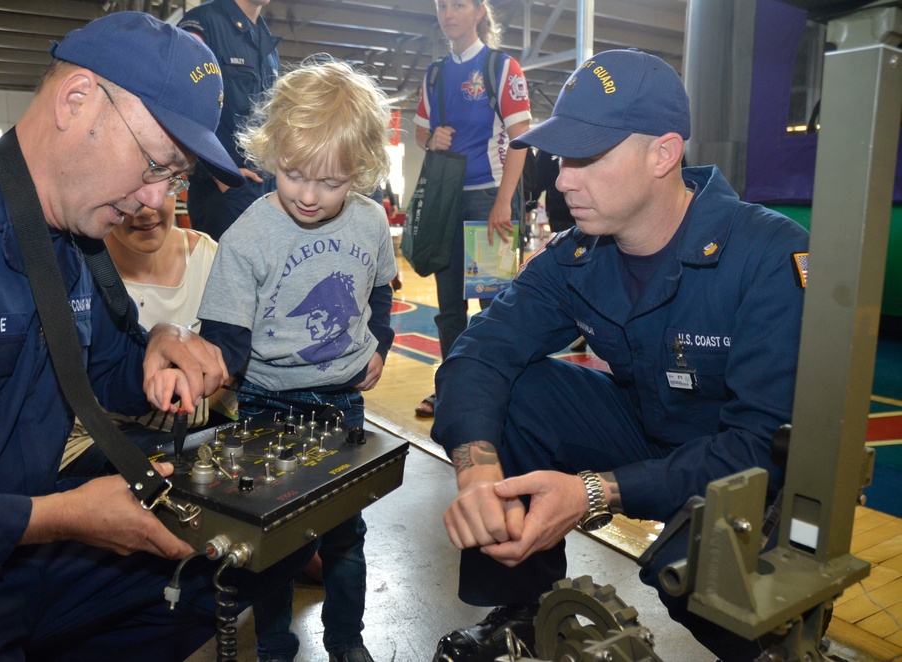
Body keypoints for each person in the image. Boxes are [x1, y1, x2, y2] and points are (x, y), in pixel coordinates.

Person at [0, 12, 313, 660]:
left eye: (175, 177)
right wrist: (60, 518)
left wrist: (155, 351)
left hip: (20, 552)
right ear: (76, 99)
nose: (155, 200)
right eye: (155, 162)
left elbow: (101, 368)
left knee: (205, 569)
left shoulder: (71, 242)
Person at [430, 48, 810, 662]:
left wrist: (591, 491)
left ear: (662, 153)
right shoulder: (578, 255)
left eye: (588, 157)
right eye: (561, 157)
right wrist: (477, 469)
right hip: (651, 429)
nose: (562, 179)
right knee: (521, 390)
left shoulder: (767, 256)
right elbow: (480, 352)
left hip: (742, 473)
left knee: (697, 578)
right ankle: (524, 611)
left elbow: (758, 446)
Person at [198, 58, 397, 662]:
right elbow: (227, 331)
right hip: (265, 404)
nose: (309, 196)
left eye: (331, 183)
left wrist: (382, 346)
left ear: (359, 172)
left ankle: (346, 641)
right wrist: (210, 368)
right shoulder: (249, 235)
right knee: (276, 544)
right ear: (270, 154)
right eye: (293, 175)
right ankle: (276, 647)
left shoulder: (369, 223)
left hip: (342, 401)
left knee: (345, 538)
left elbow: (382, 291)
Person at [413, 0, 532, 418]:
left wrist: (504, 202)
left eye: (458, 4)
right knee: (449, 308)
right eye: (442, 5)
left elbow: (521, 137)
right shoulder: (435, 73)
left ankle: (495, 389)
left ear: (480, 11)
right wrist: (431, 140)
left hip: (489, 199)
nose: (448, 12)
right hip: (447, 200)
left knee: (492, 303)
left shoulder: (502, 67)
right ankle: (451, 387)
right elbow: (419, 130)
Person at [60, 195, 221, 476]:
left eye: (168, 187)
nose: (148, 209)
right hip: (88, 442)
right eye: (130, 195)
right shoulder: (79, 267)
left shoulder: (210, 257)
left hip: (188, 432)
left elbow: (228, 371)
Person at [178, 0, 281, 241]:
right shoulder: (203, 23)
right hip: (223, 190)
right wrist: (217, 174)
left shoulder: (267, 43)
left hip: (265, 189)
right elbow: (181, 104)